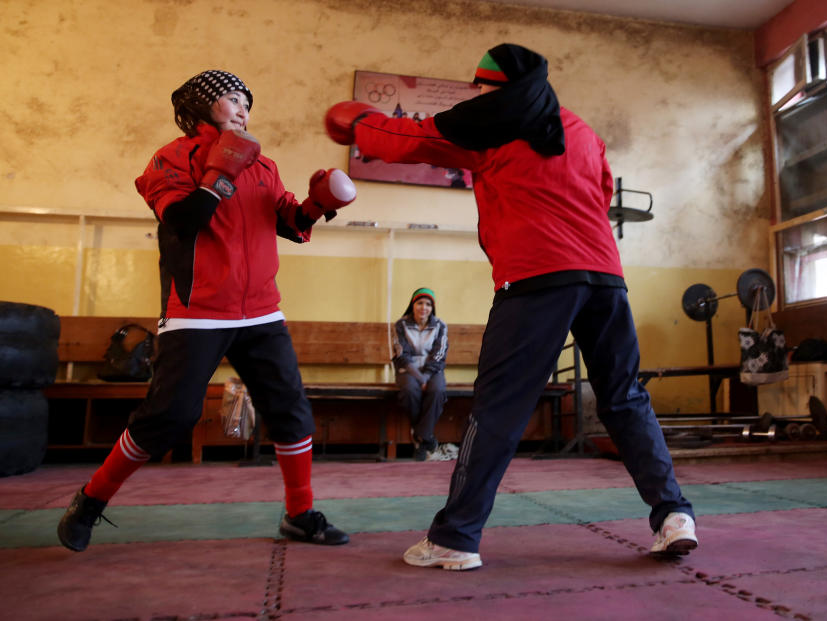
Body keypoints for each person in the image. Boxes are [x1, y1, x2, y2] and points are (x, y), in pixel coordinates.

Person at [325, 43, 697, 571]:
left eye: (480, 86)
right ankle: (674, 515)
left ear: (495, 88)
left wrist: (359, 122)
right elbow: (603, 190)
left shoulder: (491, 124)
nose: (475, 95)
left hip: (537, 277)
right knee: (625, 397)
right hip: (606, 277)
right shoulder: (582, 130)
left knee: (499, 406)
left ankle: (455, 536)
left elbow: (408, 140)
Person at [57, 70, 358, 552]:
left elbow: (288, 223)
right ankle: (91, 500)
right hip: (196, 311)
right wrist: (220, 175)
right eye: (234, 99)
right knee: (170, 417)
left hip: (261, 312)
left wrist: (318, 204)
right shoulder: (171, 158)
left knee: (291, 412)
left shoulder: (264, 165)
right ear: (202, 105)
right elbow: (180, 218)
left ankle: (301, 515)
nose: (244, 109)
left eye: (248, 103)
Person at [393, 287, 449, 461]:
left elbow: (439, 354)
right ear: (413, 305)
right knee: (410, 391)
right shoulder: (400, 325)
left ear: (432, 308)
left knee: (437, 391)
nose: (423, 307)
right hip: (408, 370)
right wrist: (419, 378)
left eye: (428, 304)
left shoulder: (440, 326)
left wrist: (426, 376)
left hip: (433, 370)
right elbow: (402, 355)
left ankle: (420, 438)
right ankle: (428, 438)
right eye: (419, 303)